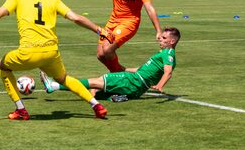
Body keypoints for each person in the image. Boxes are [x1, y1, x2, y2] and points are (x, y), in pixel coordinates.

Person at [72, 0, 162, 72]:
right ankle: (126, 73)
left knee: (108, 49)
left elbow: (149, 8)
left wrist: (158, 31)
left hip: (129, 22)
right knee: (100, 54)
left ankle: (118, 79)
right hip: (113, 21)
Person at [40, 27, 181, 101]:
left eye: (163, 38)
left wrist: (160, 86)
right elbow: (143, 69)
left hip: (134, 81)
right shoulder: (163, 54)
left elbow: (168, 71)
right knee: (96, 91)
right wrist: (125, 69)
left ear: (172, 41)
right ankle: (115, 97)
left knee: (95, 82)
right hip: (136, 83)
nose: (160, 40)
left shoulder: (168, 55)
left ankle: (54, 85)